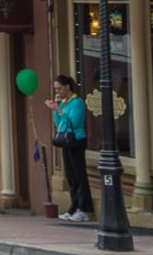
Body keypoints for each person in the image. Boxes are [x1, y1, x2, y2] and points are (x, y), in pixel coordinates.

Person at [44, 74, 92, 222]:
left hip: (76, 140)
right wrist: (55, 109)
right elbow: (60, 125)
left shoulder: (77, 102)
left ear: (67, 87)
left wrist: (59, 110)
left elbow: (73, 122)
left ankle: (84, 209)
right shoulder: (64, 103)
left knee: (79, 175)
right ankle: (74, 207)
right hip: (66, 142)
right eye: (55, 89)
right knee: (71, 177)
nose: (58, 91)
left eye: (59, 88)